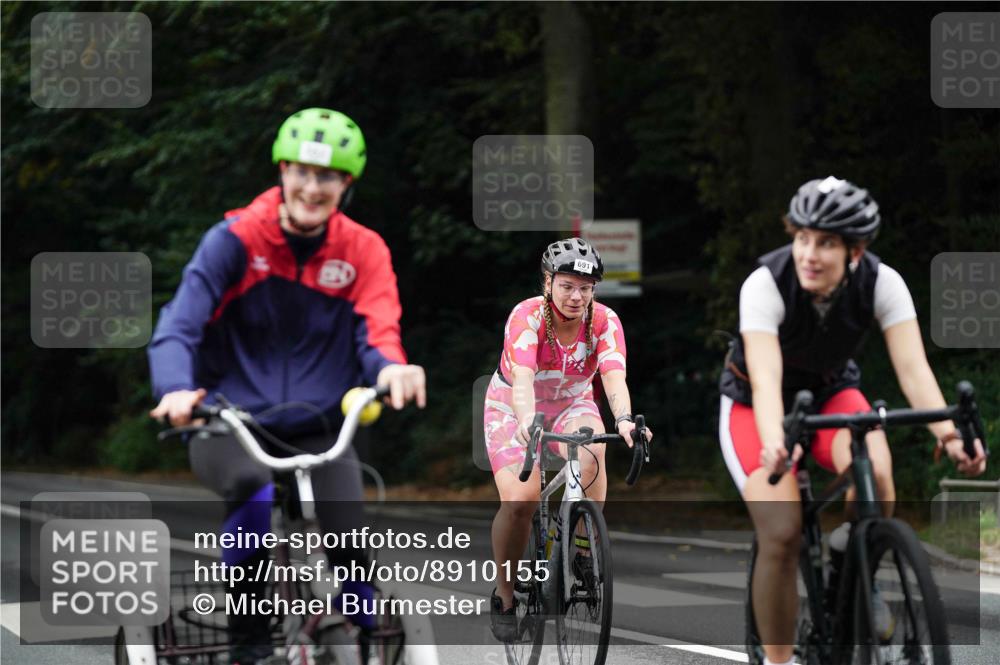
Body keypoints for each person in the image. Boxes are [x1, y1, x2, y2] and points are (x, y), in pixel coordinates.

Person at [148, 107, 426, 664]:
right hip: (229, 422)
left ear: (346, 184)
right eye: (301, 171)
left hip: (322, 426)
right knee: (252, 487)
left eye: (327, 176)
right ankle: (250, 644)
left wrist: (391, 368)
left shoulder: (363, 250)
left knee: (347, 529)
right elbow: (178, 326)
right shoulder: (233, 239)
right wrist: (177, 388)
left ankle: (369, 637)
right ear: (282, 169)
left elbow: (378, 332)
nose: (311, 187)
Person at [718, 176, 987, 665]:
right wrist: (778, 440)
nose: (809, 254)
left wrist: (949, 436)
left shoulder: (883, 283)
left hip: (832, 391)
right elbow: (765, 375)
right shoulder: (764, 284)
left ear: (856, 252)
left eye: (826, 243)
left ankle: (852, 555)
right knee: (781, 530)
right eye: (801, 238)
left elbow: (912, 369)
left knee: (877, 472)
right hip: (756, 401)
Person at [484, 237, 652, 642]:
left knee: (594, 449)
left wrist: (626, 420)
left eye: (586, 287)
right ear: (548, 282)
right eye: (567, 286)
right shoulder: (526, 317)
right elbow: (522, 378)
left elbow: (613, 377)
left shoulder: (605, 322)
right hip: (513, 406)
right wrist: (526, 419)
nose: (577, 296)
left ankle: (580, 546)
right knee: (521, 499)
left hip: (573, 401)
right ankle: (504, 596)